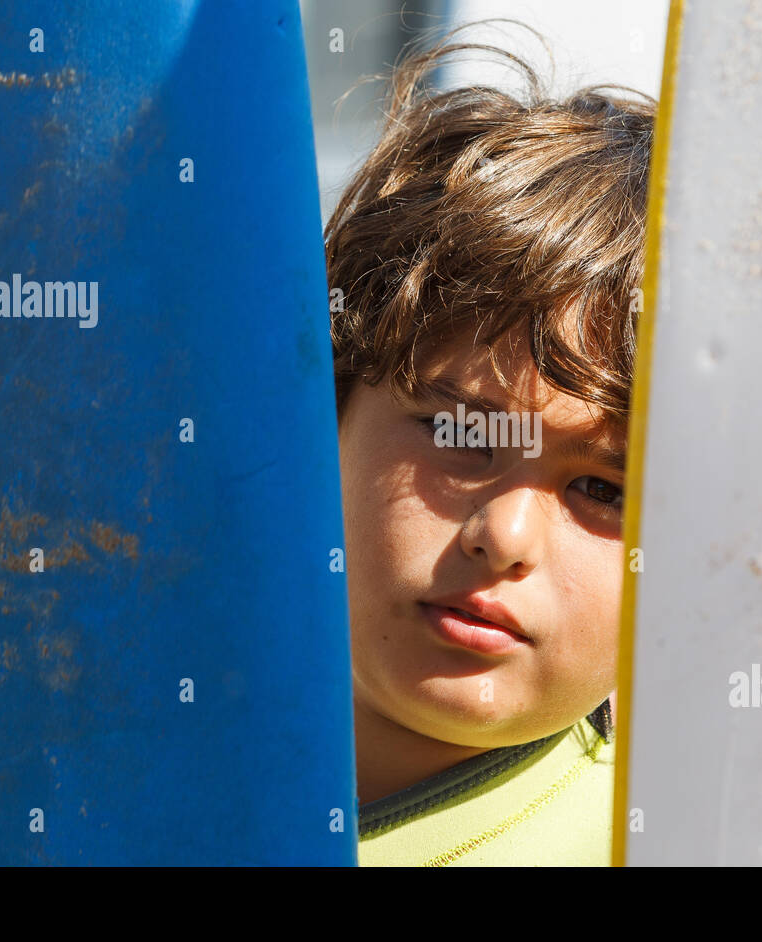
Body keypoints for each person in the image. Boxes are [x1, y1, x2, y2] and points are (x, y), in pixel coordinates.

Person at [325, 21, 654, 866]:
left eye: (605, 492)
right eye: (463, 433)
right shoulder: (96, 734)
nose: (503, 537)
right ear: (326, 411)